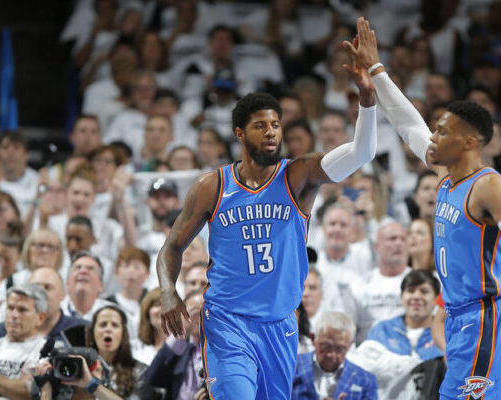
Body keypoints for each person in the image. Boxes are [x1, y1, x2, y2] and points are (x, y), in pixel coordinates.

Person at [346, 17, 501, 399]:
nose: (433, 136)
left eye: (443, 131)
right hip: (460, 319)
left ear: (469, 142)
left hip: (489, 318)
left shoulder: (490, 186)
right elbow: (406, 123)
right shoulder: (446, 173)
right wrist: (377, 70)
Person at [158, 58, 378, 399]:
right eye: (261, 125)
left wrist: (366, 99)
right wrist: (169, 293)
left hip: (280, 324)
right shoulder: (212, 186)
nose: (272, 131)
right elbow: (171, 248)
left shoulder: (298, 175)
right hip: (227, 322)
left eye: (276, 124)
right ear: (240, 133)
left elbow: (361, 153)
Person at [0, 283, 48, 399]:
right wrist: (18, 386)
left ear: (40, 318)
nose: (14, 315)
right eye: (10, 308)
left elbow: (33, 392)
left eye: (22, 310)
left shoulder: (47, 352)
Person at [0, 267, 88, 345]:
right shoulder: (4, 330)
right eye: (35, 287)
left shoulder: (82, 330)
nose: (41, 292)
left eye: (48, 287)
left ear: (63, 294)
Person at [291, 311, 378, 400]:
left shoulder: (365, 381)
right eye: (326, 346)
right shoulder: (292, 368)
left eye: (340, 349)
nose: (331, 355)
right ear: (313, 339)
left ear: (350, 345)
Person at [367, 270, 442, 360]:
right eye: (410, 291)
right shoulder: (383, 330)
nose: (416, 296)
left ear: (437, 299)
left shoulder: (446, 332)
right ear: (401, 297)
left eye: (424, 291)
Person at [145, 290, 207, 400]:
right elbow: (154, 378)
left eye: (203, 312)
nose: (198, 318)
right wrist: (181, 331)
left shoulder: (225, 349)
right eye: (192, 313)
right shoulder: (178, 347)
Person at [87, 305, 158, 399]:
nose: (108, 329)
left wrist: (93, 386)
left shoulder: (140, 371)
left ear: (123, 334)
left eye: (115, 325)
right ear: (93, 332)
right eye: (103, 324)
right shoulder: (81, 367)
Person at [61, 251, 115, 321]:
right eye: (78, 267)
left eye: (90, 268)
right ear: (67, 283)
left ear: (100, 285)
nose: (83, 271)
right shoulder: (55, 312)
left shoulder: (114, 315)